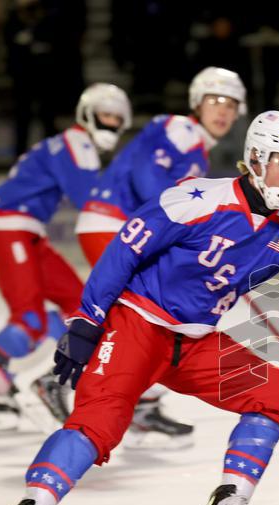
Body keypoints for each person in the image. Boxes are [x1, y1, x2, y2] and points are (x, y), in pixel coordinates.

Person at [0, 111, 279, 505]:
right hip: (137, 326)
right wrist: (87, 320)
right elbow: (124, 250)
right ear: (256, 159)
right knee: (101, 420)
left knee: (275, 391)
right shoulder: (198, 199)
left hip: (194, 343)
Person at [53, 66, 247, 449]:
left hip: (119, 224)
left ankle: (143, 400)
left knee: (147, 313)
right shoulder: (180, 129)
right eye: (214, 101)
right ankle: (61, 382)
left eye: (230, 104)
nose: (222, 110)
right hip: (117, 224)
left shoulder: (196, 145)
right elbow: (148, 177)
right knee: (146, 313)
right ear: (197, 103)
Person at [0, 83, 131, 432]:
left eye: (116, 118)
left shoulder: (69, 142)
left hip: (21, 227)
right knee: (29, 317)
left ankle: (37, 379)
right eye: (105, 115)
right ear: (88, 115)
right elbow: (91, 203)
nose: (111, 123)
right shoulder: (79, 145)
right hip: (9, 225)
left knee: (77, 305)